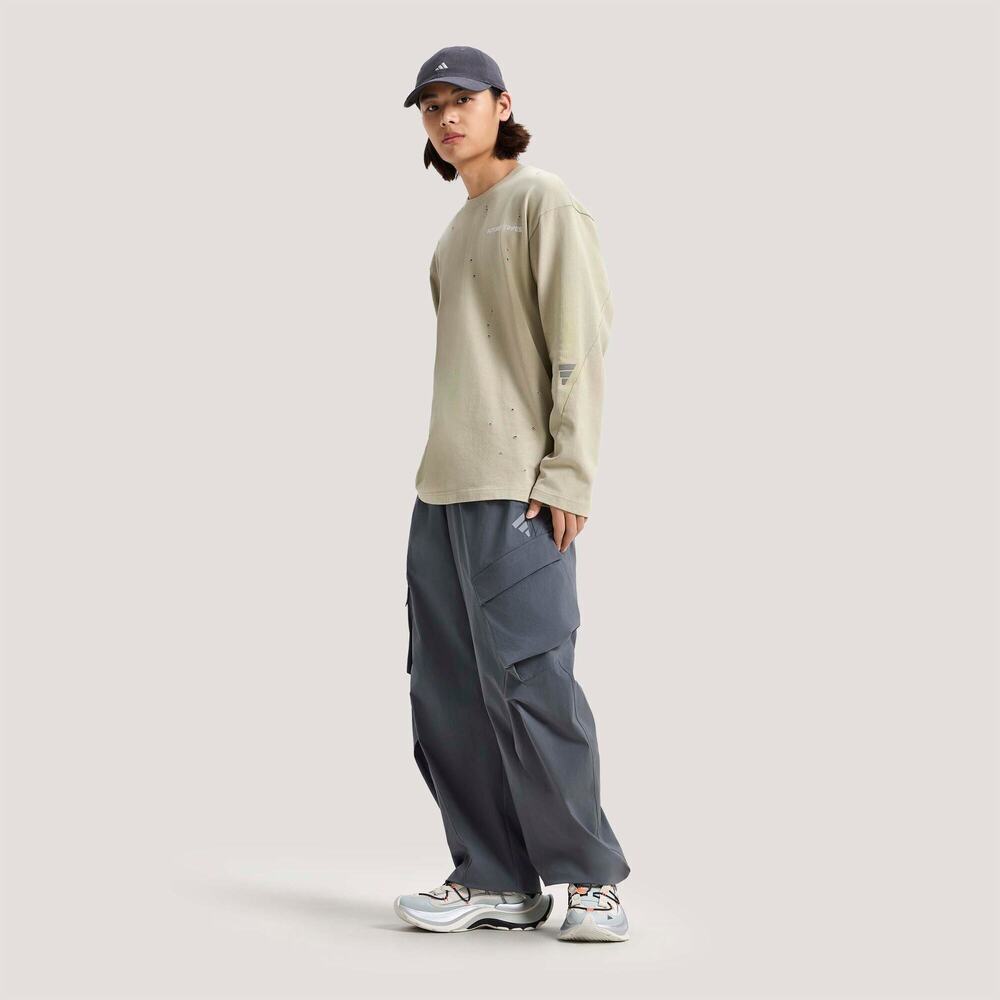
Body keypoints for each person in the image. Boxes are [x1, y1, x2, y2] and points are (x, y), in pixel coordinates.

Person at [393, 45, 630, 943]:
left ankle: (591, 883)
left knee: (535, 685)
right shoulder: (455, 232)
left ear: (502, 105)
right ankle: (495, 878)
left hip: (518, 492)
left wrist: (569, 471)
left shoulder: (543, 202)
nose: (446, 117)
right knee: (446, 694)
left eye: (462, 99)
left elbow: (580, 343)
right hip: (442, 491)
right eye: (431, 106)